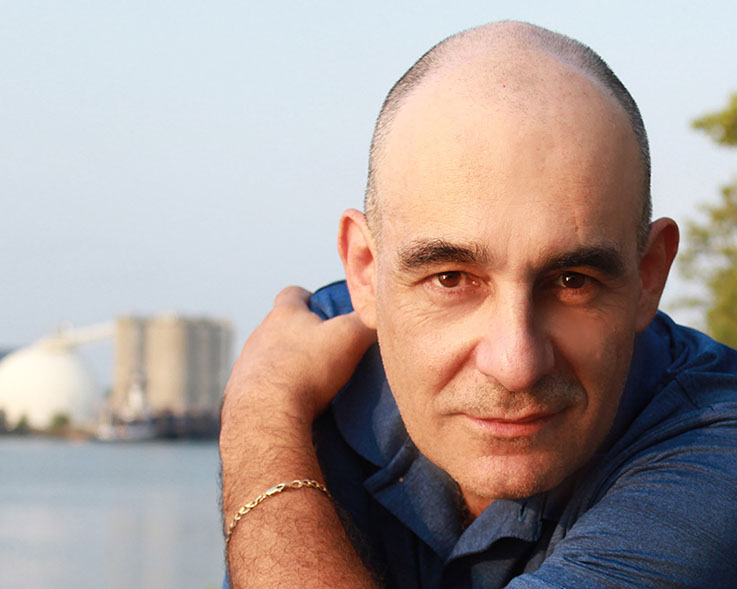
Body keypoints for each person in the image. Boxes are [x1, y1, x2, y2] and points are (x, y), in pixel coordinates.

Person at [220, 21, 737, 588]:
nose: (516, 364)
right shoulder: (318, 376)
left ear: (648, 276)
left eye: (572, 280)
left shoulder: (717, 447)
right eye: (450, 278)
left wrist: (259, 416)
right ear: (365, 272)